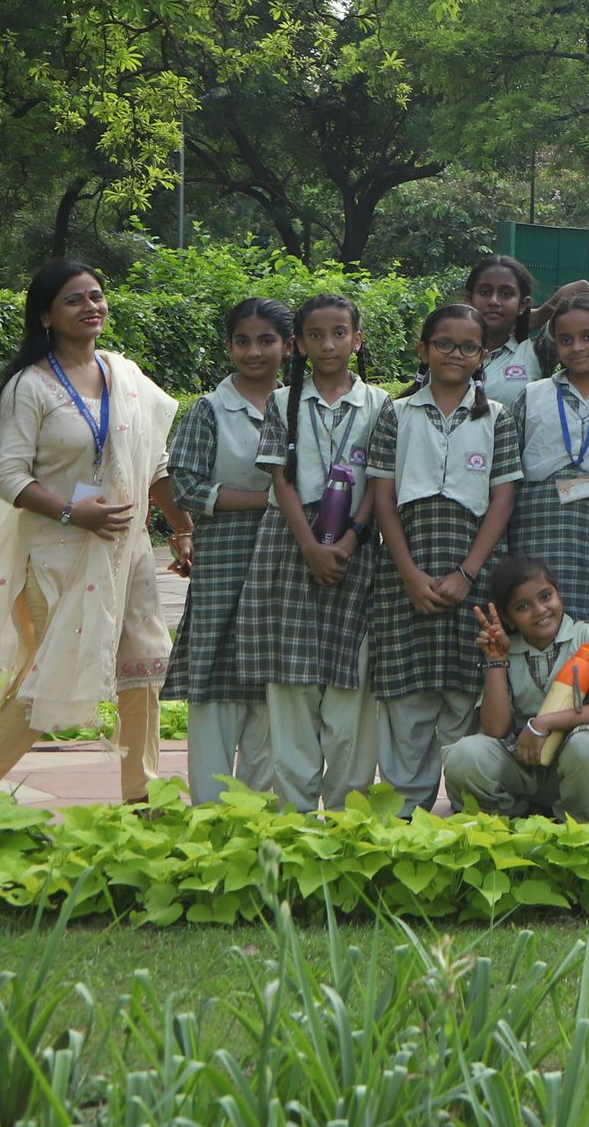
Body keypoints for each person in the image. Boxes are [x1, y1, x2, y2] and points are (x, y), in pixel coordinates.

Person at [0, 261, 177, 802]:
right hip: (56, 552)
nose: (91, 306)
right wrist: (72, 513)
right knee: (48, 677)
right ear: (46, 316)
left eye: (96, 295)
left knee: (142, 669)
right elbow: (10, 477)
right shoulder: (30, 386)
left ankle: (142, 798)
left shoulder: (124, 374)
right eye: (74, 299)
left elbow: (155, 462)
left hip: (126, 551)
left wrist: (182, 529)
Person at [364, 302, 521, 812]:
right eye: (444, 344)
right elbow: (382, 497)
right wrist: (409, 574)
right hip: (405, 570)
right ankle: (404, 812)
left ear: (483, 355)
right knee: (406, 695)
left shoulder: (497, 418)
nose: (456, 354)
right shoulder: (397, 413)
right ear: (423, 349)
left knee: (464, 690)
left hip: (474, 569)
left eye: (468, 346)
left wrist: (467, 572)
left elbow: (502, 499)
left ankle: (465, 808)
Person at [245, 292, 388, 808]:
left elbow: (381, 481)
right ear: (298, 345)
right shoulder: (282, 401)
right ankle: (294, 813)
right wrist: (309, 545)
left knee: (352, 680)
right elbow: (280, 479)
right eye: (315, 335)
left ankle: (348, 809)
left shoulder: (380, 404)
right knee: (291, 682)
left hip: (356, 546)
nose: (329, 344)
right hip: (290, 545)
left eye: (339, 333)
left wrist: (350, 538)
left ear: (357, 339)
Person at [162, 297, 293, 802]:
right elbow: (186, 486)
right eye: (243, 341)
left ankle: (259, 812)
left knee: (272, 688)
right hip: (224, 560)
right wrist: (269, 499)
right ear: (228, 346)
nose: (254, 351)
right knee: (216, 686)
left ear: (288, 346)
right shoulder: (210, 409)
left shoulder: (299, 406)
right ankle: (211, 810)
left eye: (266, 341)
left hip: (284, 560)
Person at [442, 556, 589, 821]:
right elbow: (495, 730)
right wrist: (497, 661)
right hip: (524, 766)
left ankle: (580, 827)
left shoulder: (588, 636)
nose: (540, 610)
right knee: (465, 754)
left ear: (558, 592)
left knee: (587, 746)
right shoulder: (508, 649)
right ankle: (510, 822)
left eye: (545, 596)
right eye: (523, 607)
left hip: (576, 768)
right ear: (508, 618)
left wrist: (543, 723)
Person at [501, 294, 589, 622]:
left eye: (588, 337)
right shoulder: (533, 396)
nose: (577, 347)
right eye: (565, 340)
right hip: (535, 530)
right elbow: (505, 475)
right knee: (534, 615)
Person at [466, 255, 545, 408]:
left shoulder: (535, 351)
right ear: (469, 299)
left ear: (523, 304)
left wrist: (534, 317)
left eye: (506, 294)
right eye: (484, 292)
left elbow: (582, 288)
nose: (494, 301)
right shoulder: (447, 350)